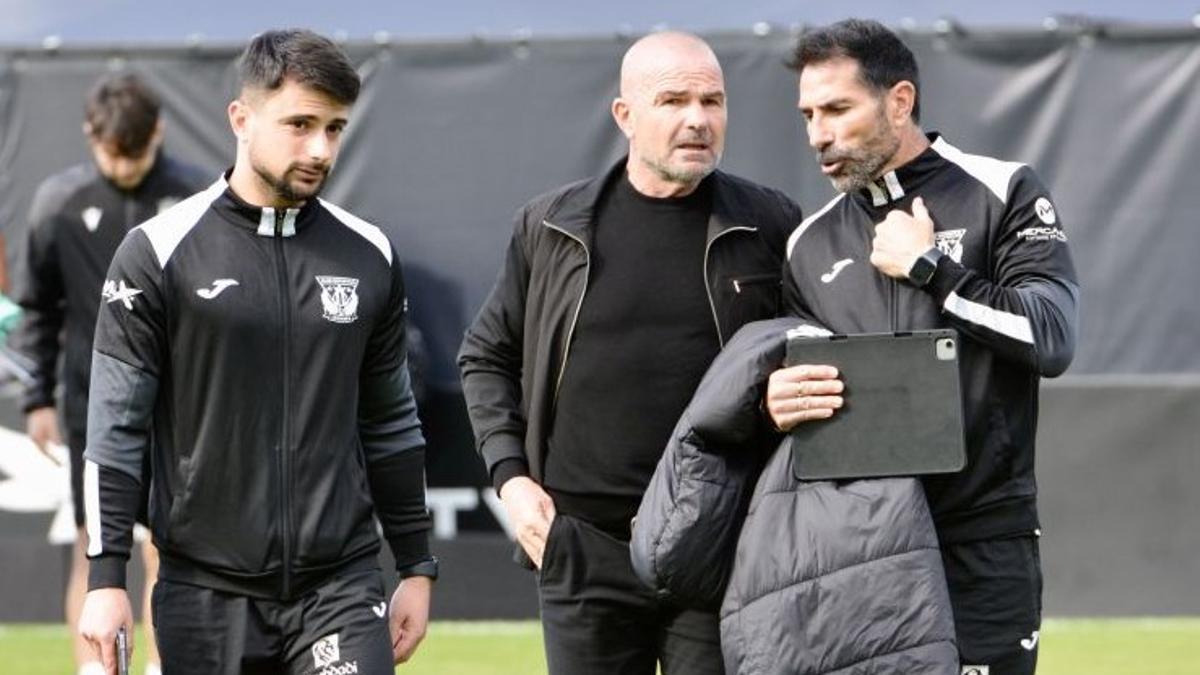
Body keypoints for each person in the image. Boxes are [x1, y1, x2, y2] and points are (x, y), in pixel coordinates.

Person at [76, 29, 436, 675]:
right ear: (241, 119)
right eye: (300, 123)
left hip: (342, 586)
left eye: (335, 128)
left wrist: (416, 563)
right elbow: (115, 430)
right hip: (204, 590)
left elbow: (391, 423)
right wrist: (106, 579)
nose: (320, 148)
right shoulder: (157, 251)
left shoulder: (370, 253)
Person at [459, 31, 802, 675]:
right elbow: (485, 357)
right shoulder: (551, 227)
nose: (697, 119)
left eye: (713, 101)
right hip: (582, 548)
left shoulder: (770, 224)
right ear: (625, 116)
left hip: (722, 548)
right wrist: (512, 481)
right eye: (673, 100)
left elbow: (815, 353)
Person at [767, 19, 1079, 674]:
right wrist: (775, 395)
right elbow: (804, 398)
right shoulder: (808, 246)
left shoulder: (1003, 191)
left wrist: (932, 269)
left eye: (837, 109)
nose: (817, 134)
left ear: (899, 101)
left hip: (983, 542)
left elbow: (1051, 337)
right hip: (860, 551)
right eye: (806, 114)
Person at [8, 72, 208, 675]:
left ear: (160, 133)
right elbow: (38, 309)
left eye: (137, 154)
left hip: (181, 408)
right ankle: (95, 671)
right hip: (92, 407)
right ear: (90, 136)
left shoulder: (199, 198)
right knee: (92, 547)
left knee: (165, 552)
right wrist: (38, 399)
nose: (123, 168)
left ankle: (161, 666)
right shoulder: (57, 204)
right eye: (111, 155)